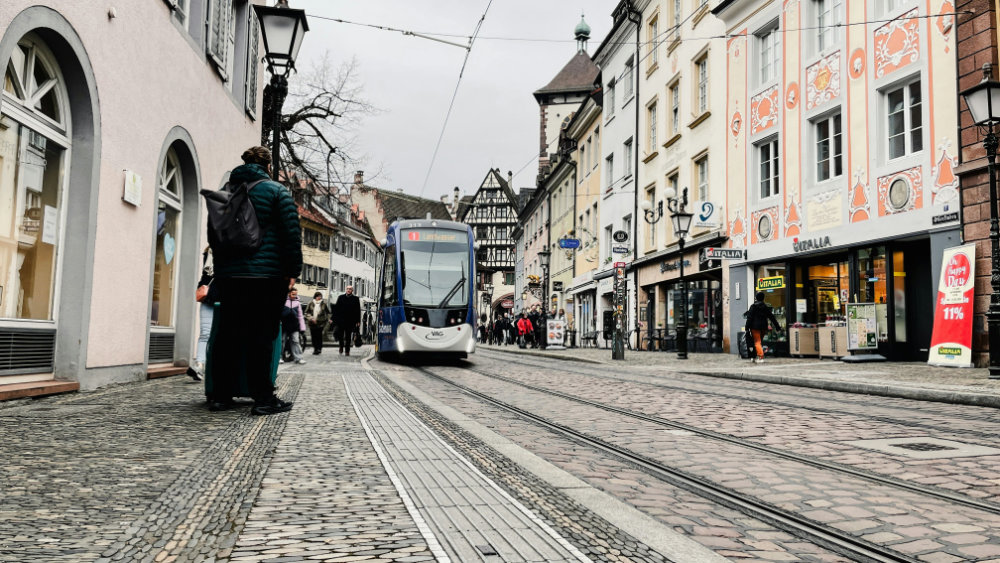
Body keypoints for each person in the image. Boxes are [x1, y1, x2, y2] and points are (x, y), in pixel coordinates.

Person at [208, 145, 301, 416]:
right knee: (261, 336)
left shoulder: (225, 191)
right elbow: (291, 236)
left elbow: (214, 236)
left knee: (228, 335)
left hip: (230, 277)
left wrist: (222, 271)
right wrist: (291, 272)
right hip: (266, 277)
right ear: (268, 166)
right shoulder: (276, 192)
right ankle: (263, 399)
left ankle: (221, 397)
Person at [188, 247, 217, 381]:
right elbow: (205, 275)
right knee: (205, 333)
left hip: (227, 297)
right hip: (209, 297)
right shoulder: (209, 251)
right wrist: (201, 286)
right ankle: (199, 365)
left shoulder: (235, 247)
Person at [745, 291, 783, 364]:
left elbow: (749, 318)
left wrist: (747, 327)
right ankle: (754, 356)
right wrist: (777, 326)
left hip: (754, 327)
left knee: (757, 342)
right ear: (763, 298)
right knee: (758, 342)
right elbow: (772, 317)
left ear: (756, 298)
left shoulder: (753, 306)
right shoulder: (765, 307)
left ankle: (761, 357)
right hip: (763, 327)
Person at [335, 285, 362, 356]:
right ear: (346, 290)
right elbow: (337, 309)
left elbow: (358, 311)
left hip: (350, 321)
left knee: (348, 336)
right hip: (341, 320)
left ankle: (347, 350)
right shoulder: (341, 297)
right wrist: (335, 319)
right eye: (347, 289)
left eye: (350, 289)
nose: (348, 290)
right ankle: (341, 347)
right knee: (340, 336)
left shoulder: (355, 299)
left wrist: (358, 321)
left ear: (352, 290)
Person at [282, 288, 307, 364]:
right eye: (293, 294)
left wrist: (302, 328)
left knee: (296, 341)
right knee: (282, 341)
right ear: (289, 293)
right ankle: (279, 357)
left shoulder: (297, 303)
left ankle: (298, 358)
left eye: (295, 294)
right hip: (284, 325)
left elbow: (300, 316)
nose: (294, 296)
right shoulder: (284, 301)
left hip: (294, 326)